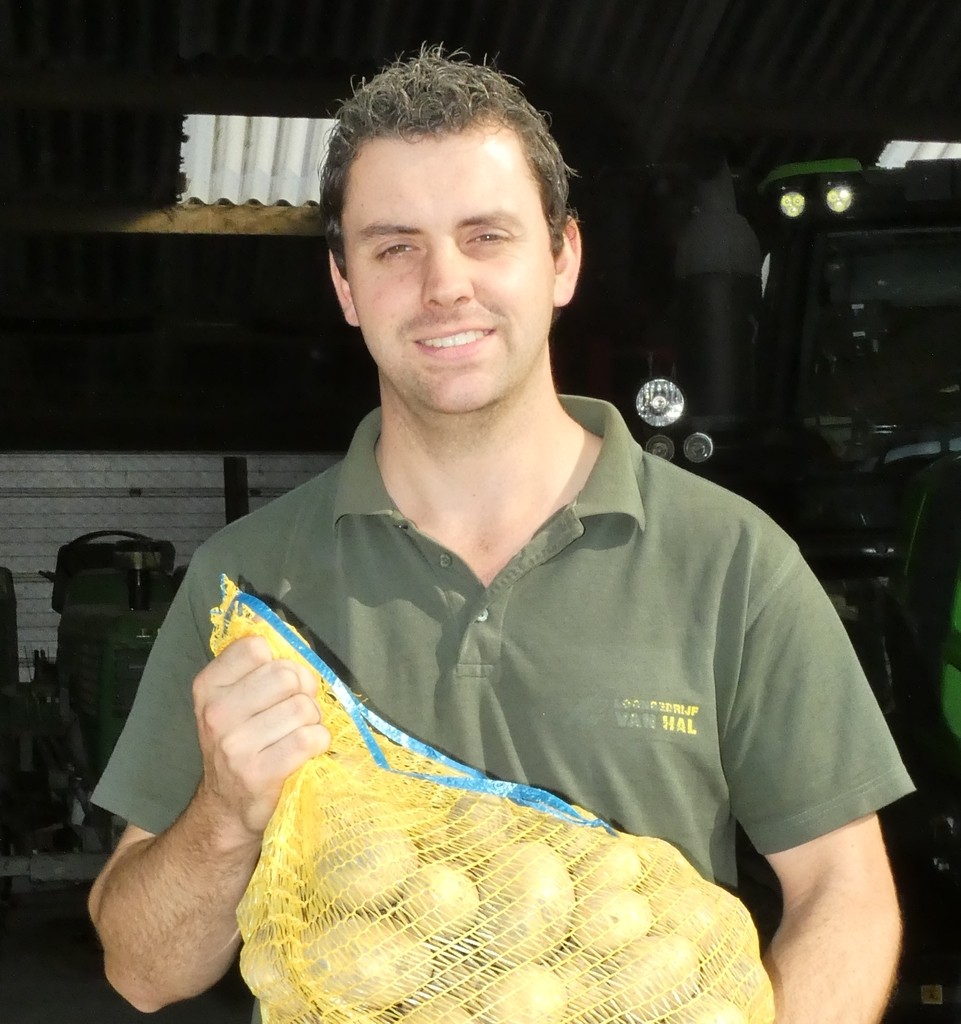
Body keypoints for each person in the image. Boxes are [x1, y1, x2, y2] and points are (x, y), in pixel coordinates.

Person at [87, 46, 913, 1024]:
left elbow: (844, 892)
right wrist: (226, 811)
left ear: (562, 258)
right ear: (346, 287)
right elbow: (142, 968)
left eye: (486, 237)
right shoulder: (253, 582)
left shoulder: (731, 562)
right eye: (394, 247)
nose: (444, 285)